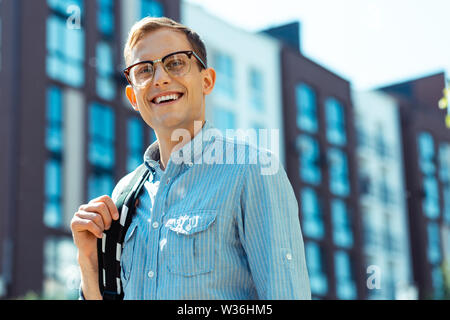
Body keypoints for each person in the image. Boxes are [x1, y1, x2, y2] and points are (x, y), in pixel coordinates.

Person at [70, 16, 311, 300]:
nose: (159, 78)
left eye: (175, 63)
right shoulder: (124, 196)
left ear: (207, 80)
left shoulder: (252, 171)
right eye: (144, 70)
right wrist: (88, 265)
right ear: (133, 97)